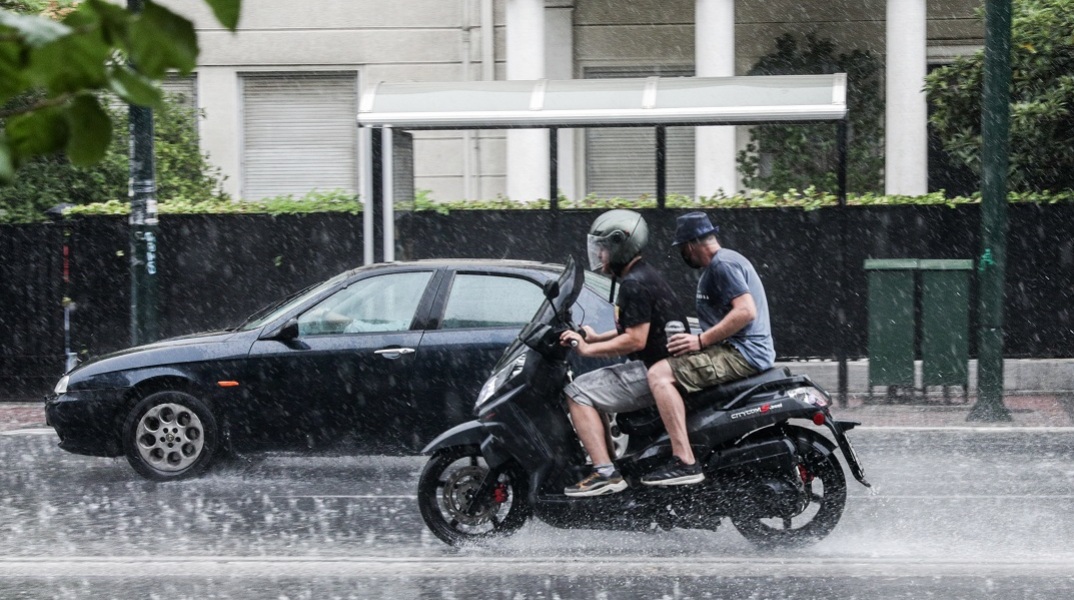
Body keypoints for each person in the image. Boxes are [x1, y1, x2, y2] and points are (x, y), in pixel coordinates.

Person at [559, 209, 687, 497]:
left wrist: (588, 348)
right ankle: (609, 465)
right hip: (662, 365)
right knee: (589, 390)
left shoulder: (634, 283)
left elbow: (635, 340)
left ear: (620, 246)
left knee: (576, 392)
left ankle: (605, 472)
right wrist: (595, 336)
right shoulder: (640, 276)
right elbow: (636, 328)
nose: (599, 255)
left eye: (603, 249)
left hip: (656, 370)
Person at [642, 211, 775, 486]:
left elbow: (746, 312)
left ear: (690, 245)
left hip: (743, 353)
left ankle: (684, 461)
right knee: (671, 365)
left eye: (681, 249)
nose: (682, 254)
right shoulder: (723, 262)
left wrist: (700, 341)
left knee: (659, 375)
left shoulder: (722, 266)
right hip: (737, 348)